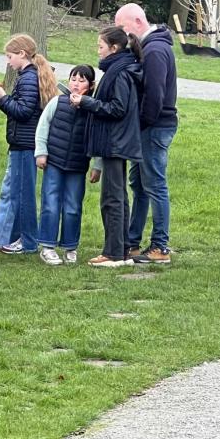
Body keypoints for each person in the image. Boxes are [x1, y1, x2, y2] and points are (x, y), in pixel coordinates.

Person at [70, 26, 143, 267]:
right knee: (118, 197)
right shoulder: (119, 69)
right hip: (117, 141)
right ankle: (121, 250)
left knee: (112, 199)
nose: (98, 51)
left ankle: (113, 253)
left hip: (115, 141)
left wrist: (87, 102)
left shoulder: (120, 72)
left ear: (114, 48)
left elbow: (117, 108)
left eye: (100, 46)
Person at [0, 34, 57, 255]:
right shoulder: (28, 76)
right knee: (17, 193)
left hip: (25, 145)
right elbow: (17, 109)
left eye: (10, 56)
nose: (8, 61)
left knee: (23, 195)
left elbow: (22, 112)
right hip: (21, 143)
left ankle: (28, 241)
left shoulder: (28, 78)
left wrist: (3, 96)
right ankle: (15, 237)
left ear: (22, 54)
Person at [114, 3, 178, 265]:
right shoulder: (150, 47)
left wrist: (139, 125)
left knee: (154, 185)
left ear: (138, 21)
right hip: (149, 127)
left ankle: (160, 246)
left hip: (154, 127)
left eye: (122, 28)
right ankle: (132, 241)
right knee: (139, 185)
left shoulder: (155, 50)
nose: (120, 35)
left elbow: (155, 96)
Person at [35, 65, 100, 265]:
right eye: (73, 79)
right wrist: (41, 152)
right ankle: (47, 246)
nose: (76, 84)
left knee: (72, 206)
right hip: (53, 161)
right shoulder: (57, 101)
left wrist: (97, 165)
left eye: (82, 81)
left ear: (90, 86)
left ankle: (70, 247)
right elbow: (43, 126)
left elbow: (97, 139)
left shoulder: (92, 109)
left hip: (78, 165)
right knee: (50, 204)